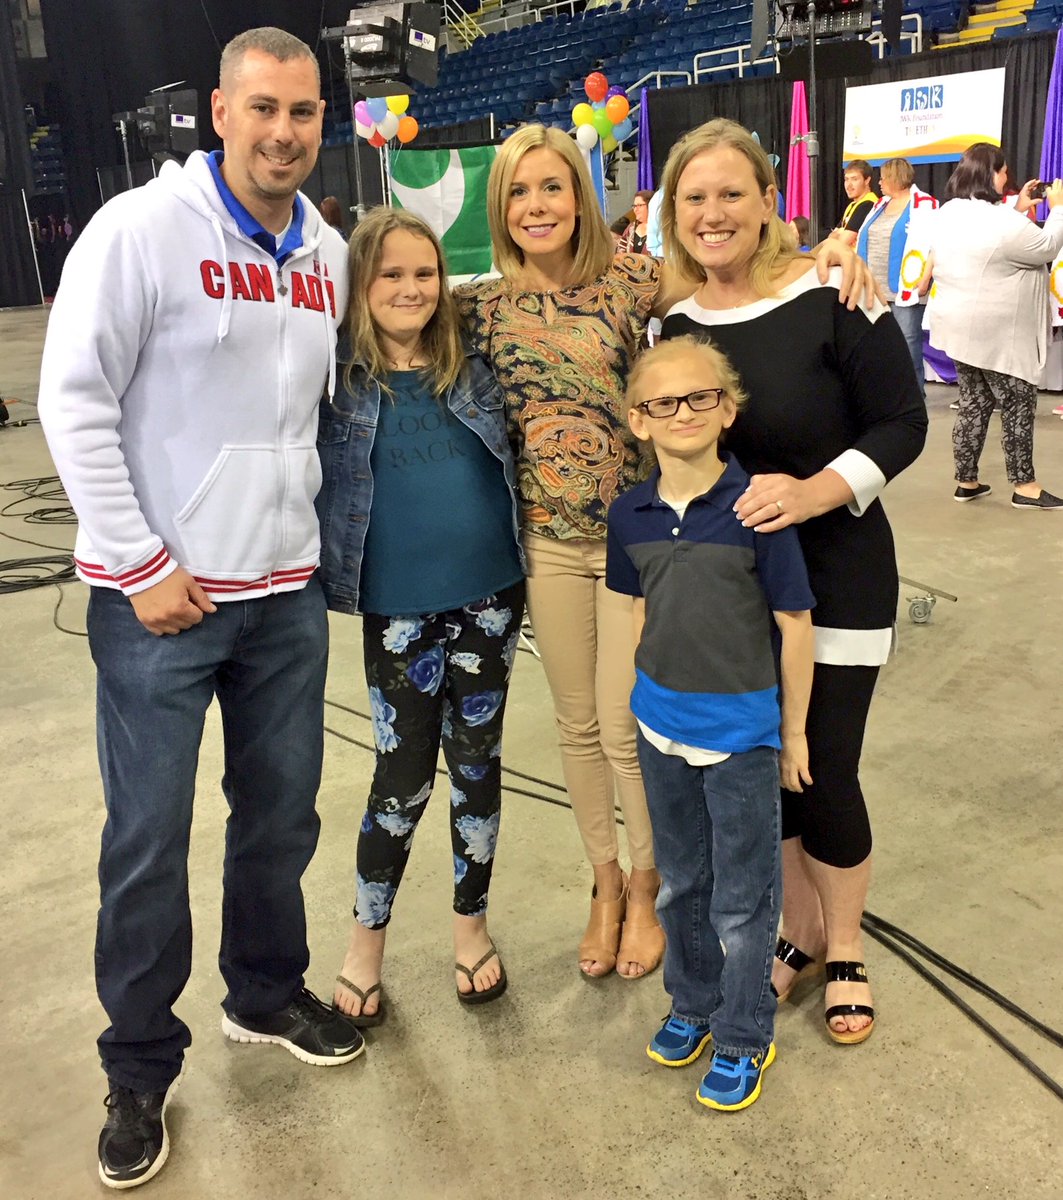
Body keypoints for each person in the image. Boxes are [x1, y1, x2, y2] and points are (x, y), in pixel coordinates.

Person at [38, 27, 363, 1191]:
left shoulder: (324, 249)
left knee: (280, 821)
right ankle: (137, 1065)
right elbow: (71, 402)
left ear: (325, 121)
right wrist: (137, 562)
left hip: (282, 597)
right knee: (147, 841)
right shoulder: (140, 233)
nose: (284, 132)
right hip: (160, 606)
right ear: (220, 112)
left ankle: (265, 996)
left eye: (305, 113)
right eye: (264, 109)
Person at [455, 124, 874, 983]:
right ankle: (603, 884)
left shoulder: (631, 281)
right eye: (519, 192)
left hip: (638, 539)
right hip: (542, 540)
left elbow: (736, 269)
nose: (537, 206)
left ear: (580, 195)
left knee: (624, 725)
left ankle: (650, 884)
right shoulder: (483, 303)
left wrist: (829, 250)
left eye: (552, 187)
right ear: (501, 207)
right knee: (574, 726)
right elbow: (398, 300)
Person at [658, 118, 927, 1046]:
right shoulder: (675, 323)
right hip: (737, 597)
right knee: (765, 778)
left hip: (840, 576)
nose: (713, 213)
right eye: (693, 197)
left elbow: (902, 421)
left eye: (731, 193)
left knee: (825, 771)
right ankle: (797, 934)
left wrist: (814, 493)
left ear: (767, 200)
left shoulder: (830, 288)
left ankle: (844, 946)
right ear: (671, 214)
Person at [316, 207, 524, 1022]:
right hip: (398, 608)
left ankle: (470, 929)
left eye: (424, 274)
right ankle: (364, 943)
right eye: (390, 275)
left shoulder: (471, 361)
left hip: (491, 595)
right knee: (400, 778)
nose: (410, 289)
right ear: (360, 285)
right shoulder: (333, 377)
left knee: (476, 766)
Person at [607, 335, 815, 1111]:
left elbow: (794, 624)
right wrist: (640, 697)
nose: (682, 413)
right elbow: (638, 612)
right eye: (662, 403)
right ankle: (690, 1006)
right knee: (681, 884)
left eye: (699, 398)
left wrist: (790, 734)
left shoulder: (759, 509)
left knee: (743, 897)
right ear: (637, 421)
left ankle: (740, 1033)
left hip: (741, 739)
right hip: (658, 729)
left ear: (725, 409)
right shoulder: (627, 513)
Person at [921, 143, 1063, 509]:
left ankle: (966, 480)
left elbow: (991, 231)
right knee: (1018, 402)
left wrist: (1017, 207)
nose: (1006, 179)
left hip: (960, 329)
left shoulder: (949, 211)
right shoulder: (1002, 223)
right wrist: (1059, 207)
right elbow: (1046, 245)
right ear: (991, 174)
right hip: (995, 334)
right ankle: (1025, 487)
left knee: (974, 401)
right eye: (1003, 172)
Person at [856, 158, 937, 396]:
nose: (879, 183)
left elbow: (935, 243)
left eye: (883, 177)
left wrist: (925, 277)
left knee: (908, 346)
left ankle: (913, 399)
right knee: (877, 348)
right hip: (874, 289)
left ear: (896, 177)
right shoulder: (879, 205)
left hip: (904, 290)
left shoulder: (925, 204)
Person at [830, 159, 877, 247]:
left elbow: (841, 243)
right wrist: (840, 233)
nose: (849, 185)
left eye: (854, 179)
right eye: (846, 179)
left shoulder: (868, 204)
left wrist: (840, 232)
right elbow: (830, 238)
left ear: (867, 180)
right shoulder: (852, 205)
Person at [619, 189, 653, 254]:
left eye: (639, 205)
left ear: (650, 205)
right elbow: (620, 250)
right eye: (634, 206)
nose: (635, 209)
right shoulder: (631, 228)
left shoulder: (659, 230)